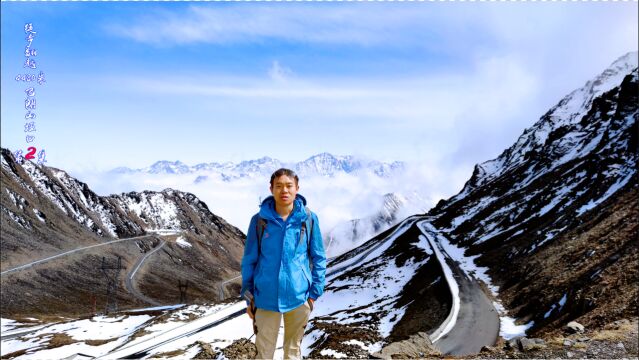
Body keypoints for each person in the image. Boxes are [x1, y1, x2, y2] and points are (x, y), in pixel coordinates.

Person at [241, 168, 326, 360]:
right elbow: (249, 261)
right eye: (278, 186)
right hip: (265, 297)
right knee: (263, 353)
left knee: (293, 352)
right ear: (271, 189)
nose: (284, 191)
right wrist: (249, 298)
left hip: (299, 297)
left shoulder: (309, 219)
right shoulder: (259, 221)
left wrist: (314, 294)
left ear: (297, 188)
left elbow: (319, 257)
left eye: (289, 186)